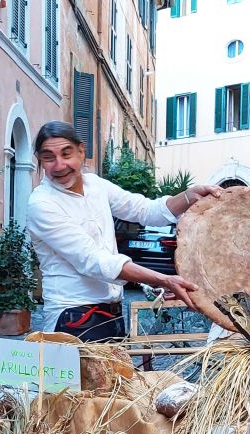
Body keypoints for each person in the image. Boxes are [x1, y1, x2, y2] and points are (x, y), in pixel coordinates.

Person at [26, 121, 222, 341]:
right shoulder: (42, 204)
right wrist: (164, 280)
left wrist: (189, 196)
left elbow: (145, 210)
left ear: (81, 151)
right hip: (72, 317)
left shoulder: (96, 185)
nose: (59, 165)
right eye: (49, 157)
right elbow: (95, 260)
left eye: (66, 153)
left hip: (111, 313)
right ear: (40, 161)